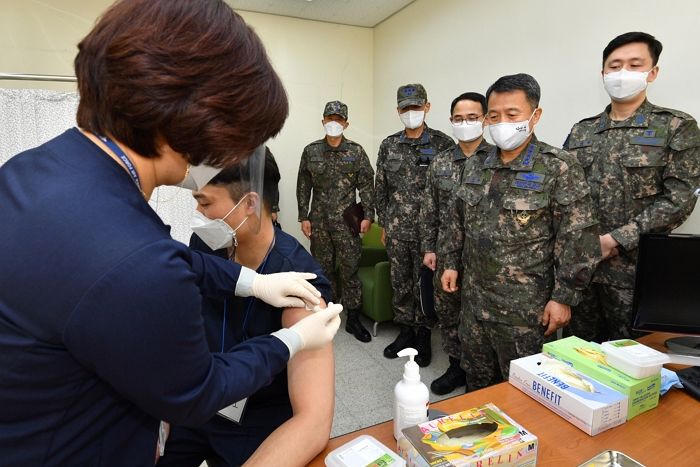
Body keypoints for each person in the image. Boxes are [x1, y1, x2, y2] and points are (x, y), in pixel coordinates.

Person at [0, 1, 341, 464]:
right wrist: (291, 341)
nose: (217, 155)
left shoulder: (32, 171)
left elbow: (159, 259)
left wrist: (253, 283)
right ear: (189, 117)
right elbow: (194, 390)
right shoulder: (134, 257)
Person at [161, 152, 334, 466]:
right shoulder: (206, 244)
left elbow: (314, 421)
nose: (197, 214)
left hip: (256, 422)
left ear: (249, 204)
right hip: (203, 399)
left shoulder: (298, 280)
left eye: (205, 203)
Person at [440, 74, 600, 391]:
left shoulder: (558, 167)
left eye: (512, 115)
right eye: (494, 116)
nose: (502, 123)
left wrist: (564, 297)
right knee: (477, 383)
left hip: (526, 312)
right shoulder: (476, 164)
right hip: (475, 303)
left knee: (525, 391)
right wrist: (449, 262)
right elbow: (455, 218)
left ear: (534, 115)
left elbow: (578, 239)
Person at [564, 32, 700, 342]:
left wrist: (615, 240)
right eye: (614, 66)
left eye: (634, 64)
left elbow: (679, 198)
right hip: (581, 270)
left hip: (634, 274)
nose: (622, 73)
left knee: (630, 362)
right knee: (575, 356)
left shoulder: (676, 126)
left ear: (652, 72)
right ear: (603, 74)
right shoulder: (582, 130)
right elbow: (565, 192)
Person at [376, 84, 454, 366]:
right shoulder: (389, 145)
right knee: (400, 284)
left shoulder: (444, 144)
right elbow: (380, 189)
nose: (412, 112)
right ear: (398, 111)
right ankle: (405, 332)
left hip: (430, 234)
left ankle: (423, 335)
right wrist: (384, 224)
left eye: (416, 107)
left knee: (425, 286)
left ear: (427, 107)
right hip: (397, 230)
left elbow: (449, 192)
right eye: (406, 108)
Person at [420, 92, 493, 394]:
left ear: (486, 119)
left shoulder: (497, 160)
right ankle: (456, 366)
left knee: (478, 318)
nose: (466, 124)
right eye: (459, 119)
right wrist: (429, 247)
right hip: (446, 253)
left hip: (483, 258)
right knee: (449, 312)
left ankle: (482, 374)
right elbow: (430, 209)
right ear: (451, 121)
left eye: (473, 118)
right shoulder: (441, 162)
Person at [297, 100, 376, 342]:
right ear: (323, 121)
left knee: (350, 271)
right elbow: (304, 185)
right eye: (330, 118)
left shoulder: (356, 151)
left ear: (346, 123)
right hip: (319, 222)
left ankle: (352, 319)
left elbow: (366, 185)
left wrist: (369, 216)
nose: (334, 123)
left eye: (339, 119)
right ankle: (327, 314)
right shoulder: (311, 151)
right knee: (322, 270)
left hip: (347, 223)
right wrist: (303, 216)